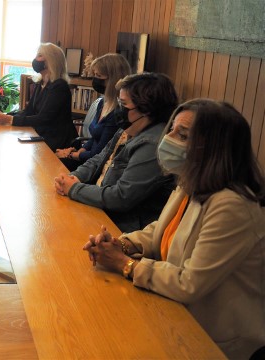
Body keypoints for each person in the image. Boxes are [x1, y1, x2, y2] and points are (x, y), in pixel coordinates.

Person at [82, 99, 265, 359]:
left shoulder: (232, 205)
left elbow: (189, 282)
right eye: (171, 130)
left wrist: (126, 264)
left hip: (215, 340)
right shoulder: (191, 182)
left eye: (182, 135)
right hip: (176, 314)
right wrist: (121, 244)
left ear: (214, 147)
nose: (167, 138)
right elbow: (163, 230)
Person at [54, 73, 178, 232]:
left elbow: (121, 197)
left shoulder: (152, 145)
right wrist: (74, 177)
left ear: (146, 109)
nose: (118, 110)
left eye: (123, 104)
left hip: (121, 227)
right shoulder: (128, 128)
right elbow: (99, 159)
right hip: (100, 209)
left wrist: (73, 189)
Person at [0, 43, 76, 151]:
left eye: (39, 56)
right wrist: (5, 116)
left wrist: (10, 119)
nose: (35, 59)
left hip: (57, 141)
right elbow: (29, 110)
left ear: (51, 61)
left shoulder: (59, 87)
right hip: (41, 134)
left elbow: (43, 118)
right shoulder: (41, 82)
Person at [55, 53, 131, 171]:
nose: (94, 79)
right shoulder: (102, 103)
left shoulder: (117, 113)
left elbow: (100, 153)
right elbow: (94, 138)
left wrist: (72, 155)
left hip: (96, 166)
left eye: (98, 75)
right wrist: (81, 150)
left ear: (112, 79)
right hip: (87, 158)